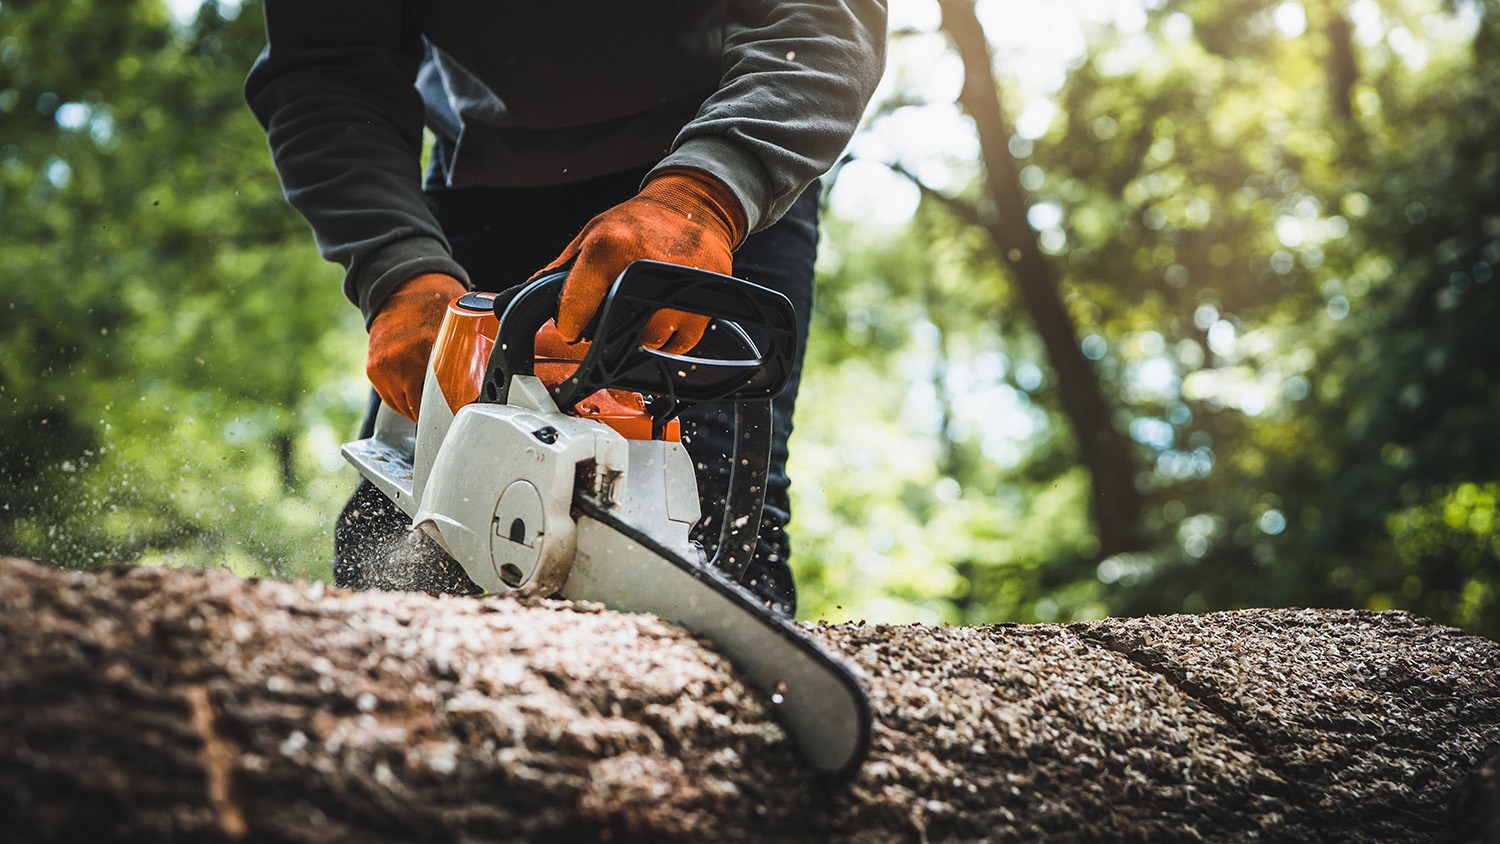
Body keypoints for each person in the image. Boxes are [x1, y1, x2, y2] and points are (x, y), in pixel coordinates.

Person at [245, 2, 887, 617]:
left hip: (727, 151)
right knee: (414, 513)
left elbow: (825, 19)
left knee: (720, 524)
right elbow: (326, 58)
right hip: (484, 184)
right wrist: (398, 270)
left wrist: (707, 193)